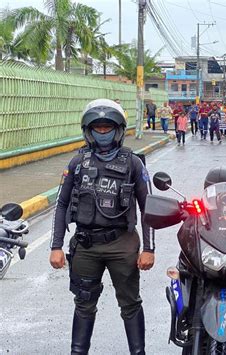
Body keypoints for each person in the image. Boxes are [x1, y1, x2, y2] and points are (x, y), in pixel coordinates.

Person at [49, 99, 155, 354]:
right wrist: (56, 246)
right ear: (88, 130)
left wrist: (149, 249)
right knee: (84, 304)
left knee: (130, 304)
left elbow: (148, 207)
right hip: (86, 245)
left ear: (118, 130)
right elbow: (61, 205)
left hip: (123, 244)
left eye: (108, 127)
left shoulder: (133, 163)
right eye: (98, 128)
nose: (103, 133)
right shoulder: (77, 164)